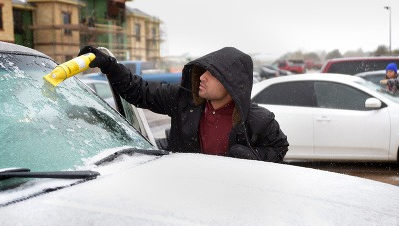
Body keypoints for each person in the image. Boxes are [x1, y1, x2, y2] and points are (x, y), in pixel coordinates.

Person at [77, 46, 289, 163]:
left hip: (230, 196)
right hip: (183, 191)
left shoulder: (259, 120)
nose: (202, 77)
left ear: (230, 83)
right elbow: (139, 90)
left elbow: (279, 148)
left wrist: (254, 156)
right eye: (202, 71)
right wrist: (110, 66)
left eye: (212, 74)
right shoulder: (183, 101)